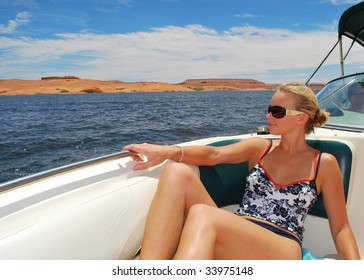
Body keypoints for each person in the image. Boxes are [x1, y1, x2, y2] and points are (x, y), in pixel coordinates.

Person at [123, 82, 360, 260]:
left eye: (277, 112)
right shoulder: (261, 148)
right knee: (176, 173)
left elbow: (341, 227)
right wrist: (165, 151)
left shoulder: (324, 163)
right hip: (239, 230)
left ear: (302, 119)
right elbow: (214, 155)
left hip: (283, 245)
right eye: (269, 109)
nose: (268, 116)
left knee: (203, 214)